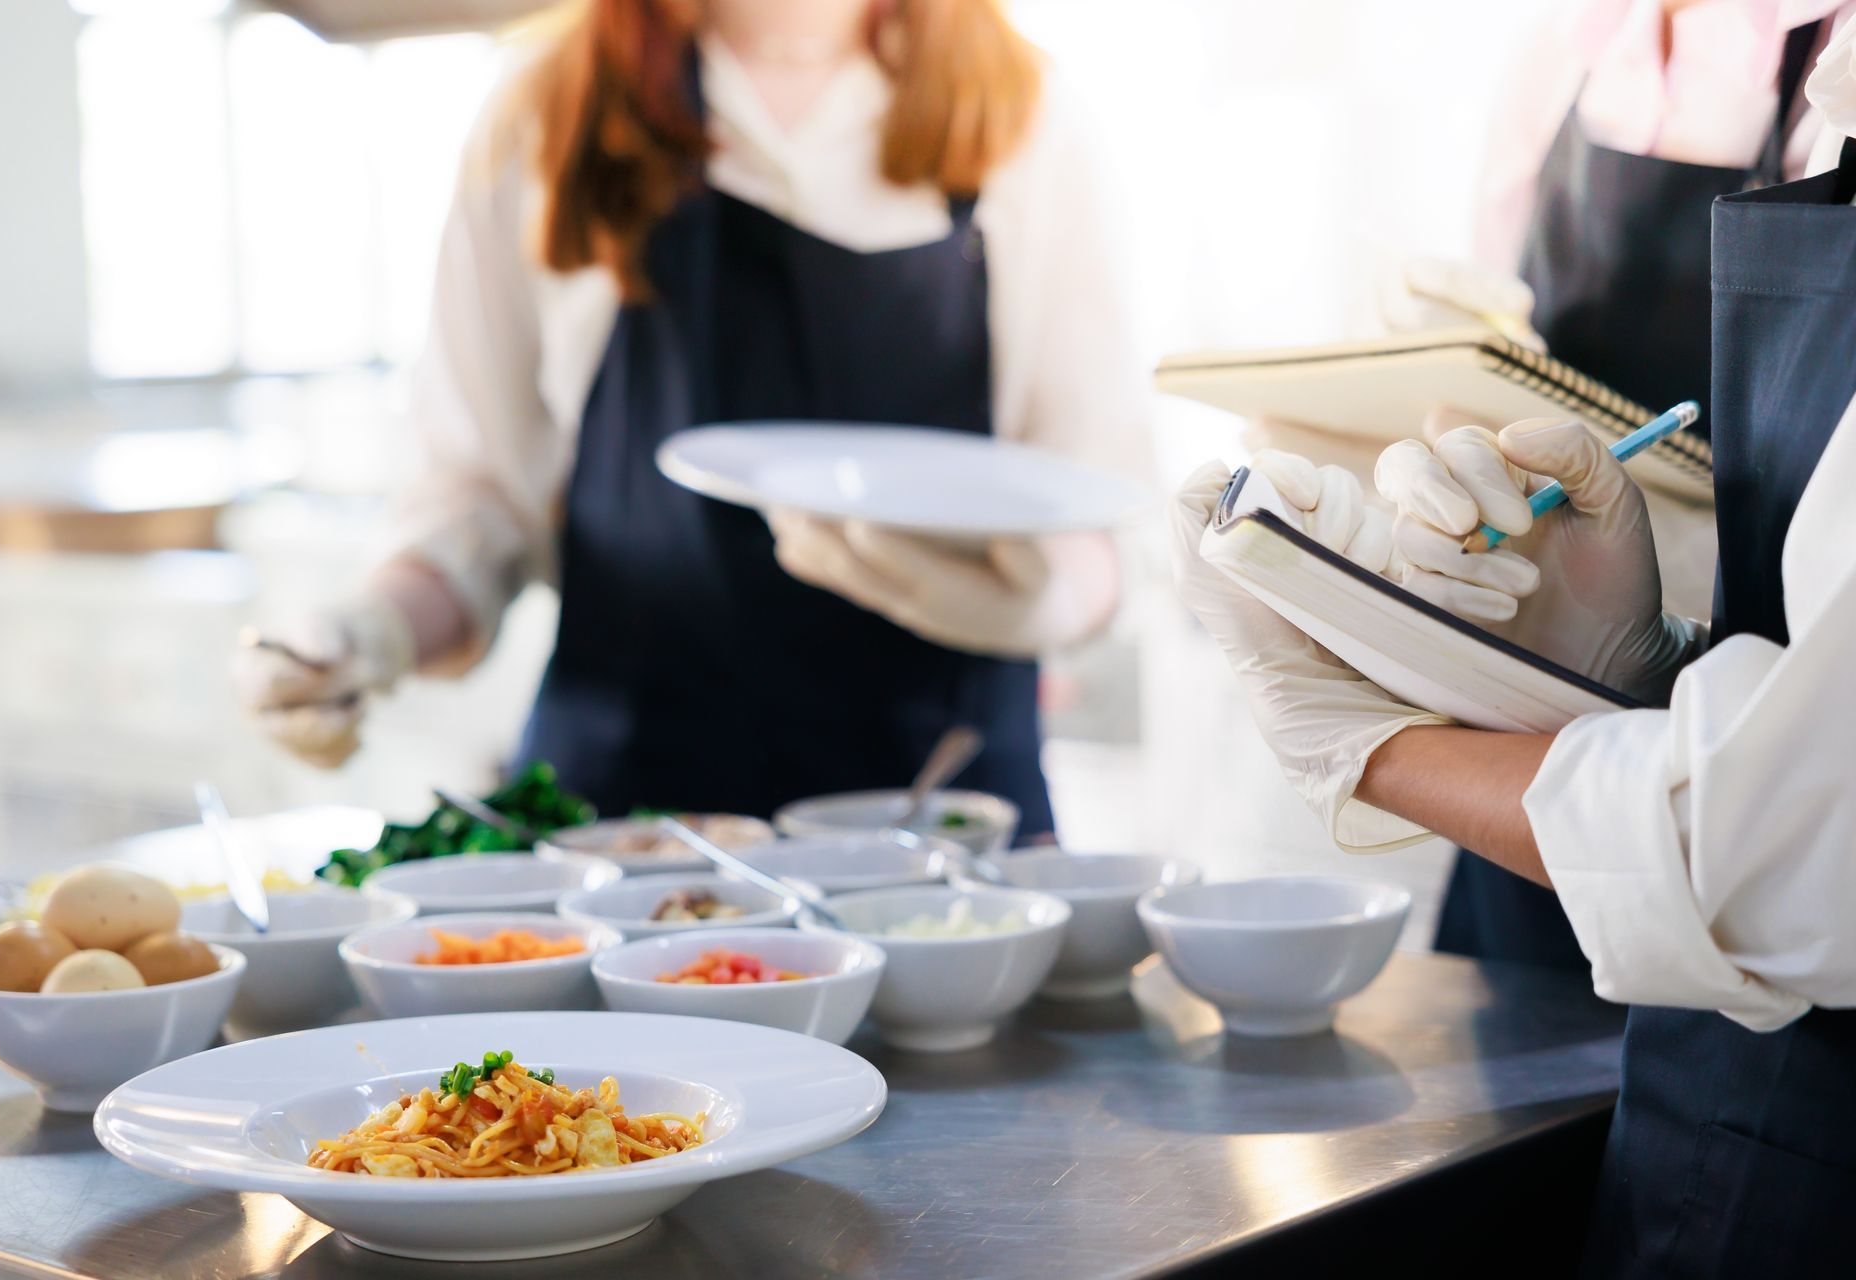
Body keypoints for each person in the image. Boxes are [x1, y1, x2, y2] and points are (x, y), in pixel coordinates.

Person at [1171, 19, 1856, 1272]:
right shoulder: (1600, 51)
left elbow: (1782, 853)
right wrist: (1636, 666)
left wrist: (1361, 740)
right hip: (1618, 839)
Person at [231, 0, 1148, 837]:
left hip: (942, 817)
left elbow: (1093, 500)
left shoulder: (1024, 113)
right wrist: (369, 635)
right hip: (631, 823)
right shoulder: (547, 107)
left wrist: (1043, 600)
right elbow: (478, 495)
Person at [1429, 0, 1852, 973]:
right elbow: (1503, 336)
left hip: (1743, 713)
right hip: (1519, 716)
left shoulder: (1831, 68)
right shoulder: (1562, 51)